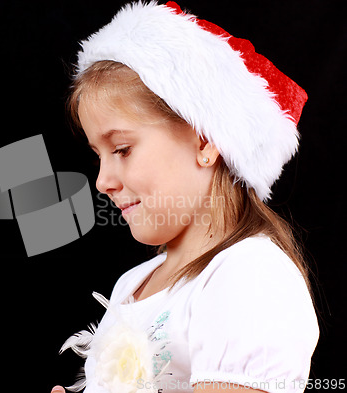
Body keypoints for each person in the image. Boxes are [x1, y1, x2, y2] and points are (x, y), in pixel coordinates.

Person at [51, 2, 319, 392]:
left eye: (122, 149)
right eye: (98, 156)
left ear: (205, 140)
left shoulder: (250, 275)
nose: (101, 181)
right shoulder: (132, 284)